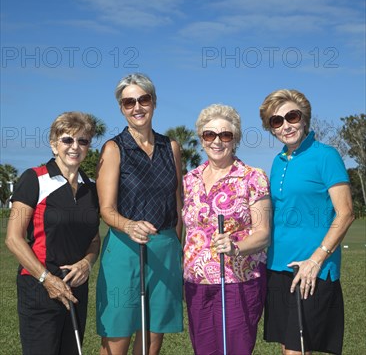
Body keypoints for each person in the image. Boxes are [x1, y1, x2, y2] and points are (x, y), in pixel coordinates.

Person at [259, 89, 355, 355]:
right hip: (278, 267)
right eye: (277, 121)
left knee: (296, 349)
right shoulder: (278, 162)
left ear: (304, 118)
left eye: (292, 116)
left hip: (312, 268)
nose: (286, 125)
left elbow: (345, 212)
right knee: (288, 346)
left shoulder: (326, 155)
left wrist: (316, 259)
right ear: (271, 129)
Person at [96, 73, 183, 355]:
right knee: (117, 332)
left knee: (153, 336)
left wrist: (177, 247)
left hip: (165, 248)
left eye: (143, 99)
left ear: (154, 102)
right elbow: (106, 209)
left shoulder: (171, 147)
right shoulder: (113, 148)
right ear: (121, 108)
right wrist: (129, 225)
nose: (137, 107)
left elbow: (178, 202)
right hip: (124, 247)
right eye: (128, 102)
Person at [5, 111, 101, 355]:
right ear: (54, 144)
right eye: (67, 139)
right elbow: (13, 239)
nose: (75, 146)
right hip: (39, 287)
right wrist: (47, 279)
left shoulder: (91, 188)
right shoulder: (34, 179)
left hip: (76, 288)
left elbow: (94, 238)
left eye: (83, 141)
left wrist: (87, 264)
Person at [182, 104, 271, 355]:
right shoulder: (189, 180)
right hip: (196, 283)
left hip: (238, 281)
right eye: (210, 135)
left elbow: (263, 233)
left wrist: (236, 247)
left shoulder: (253, 177)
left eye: (225, 135)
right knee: (204, 350)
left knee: (236, 349)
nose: (217, 141)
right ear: (201, 140)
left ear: (235, 140)